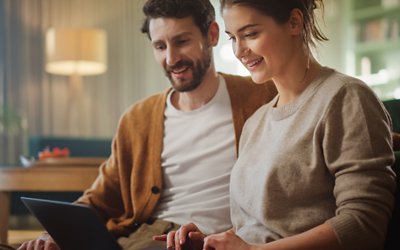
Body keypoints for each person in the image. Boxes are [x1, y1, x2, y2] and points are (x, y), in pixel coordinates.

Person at [16, 0, 277, 250]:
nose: (172, 58)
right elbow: (100, 197)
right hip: (145, 238)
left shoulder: (261, 96)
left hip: (213, 240)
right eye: (160, 46)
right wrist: (52, 235)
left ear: (211, 34)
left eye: (182, 41)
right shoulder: (137, 118)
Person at [164, 0, 397, 249]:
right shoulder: (255, 122)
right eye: (233, 38)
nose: (239, 50)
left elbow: (363, 226)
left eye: (250, 34)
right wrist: (212, 239)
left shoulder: (346, 97)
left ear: (295, 22)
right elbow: (262, 226)